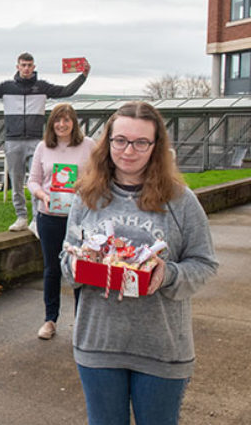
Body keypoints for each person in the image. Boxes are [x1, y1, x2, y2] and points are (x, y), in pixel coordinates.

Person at [60, 101, 218, 425]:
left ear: (155, 146)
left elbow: (204, 263)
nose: (128, 151)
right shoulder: (86, 196)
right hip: (98, 344)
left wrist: (168, 275)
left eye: (140, 142)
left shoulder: (180, 200)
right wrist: (77, 266)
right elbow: (67, 258)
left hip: (162, 350)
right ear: (108, 142)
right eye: (120, 140)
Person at [0, 53, 89, 232]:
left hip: (35, 140)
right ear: (17, 66)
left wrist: (83, 76)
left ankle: (36, 218)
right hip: (13, 140)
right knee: (16, 181)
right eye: (23, 65)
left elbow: (66, 91)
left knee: (37, 180)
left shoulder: (42, 87)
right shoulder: (6, 87)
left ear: (34, 67)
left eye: (29, 65)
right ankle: (21, 216)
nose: (26, 68)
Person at [26, 103, 95, 340]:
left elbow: (99, 176)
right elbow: (33, 181)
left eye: (67, 120)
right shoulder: (43, 147)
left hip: (79, 219)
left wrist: (84, 189)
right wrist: (43, 195)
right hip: (50, 217)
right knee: (52, 270)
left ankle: (81, 322)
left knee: (81, 270)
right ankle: (50, 320)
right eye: (57, 120)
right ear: (51, 123)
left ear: (74, 123)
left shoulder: (88, 146)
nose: (62, 125)